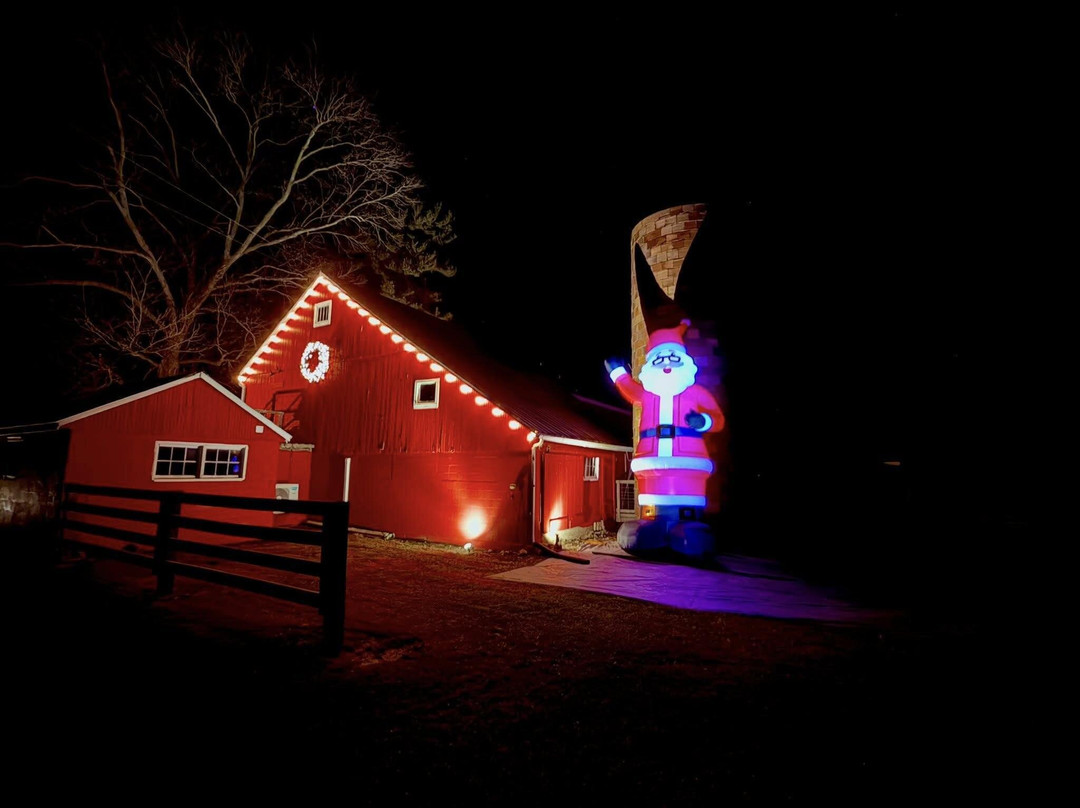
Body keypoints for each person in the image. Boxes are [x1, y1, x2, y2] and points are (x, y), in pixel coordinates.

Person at [605, 318, 724, 557]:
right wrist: (617, 373)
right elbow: (630, 389)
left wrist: (703, 421)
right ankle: (651, 525)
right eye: (660, 360)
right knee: (653, 503)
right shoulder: (647, 395)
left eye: (673, 358)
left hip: (688, 460)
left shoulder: (695, 393)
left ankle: (688, 527)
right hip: (652, 460)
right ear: (651, 364)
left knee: (687, 503)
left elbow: (718, 419)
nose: (667, 365)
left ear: (684, 361)